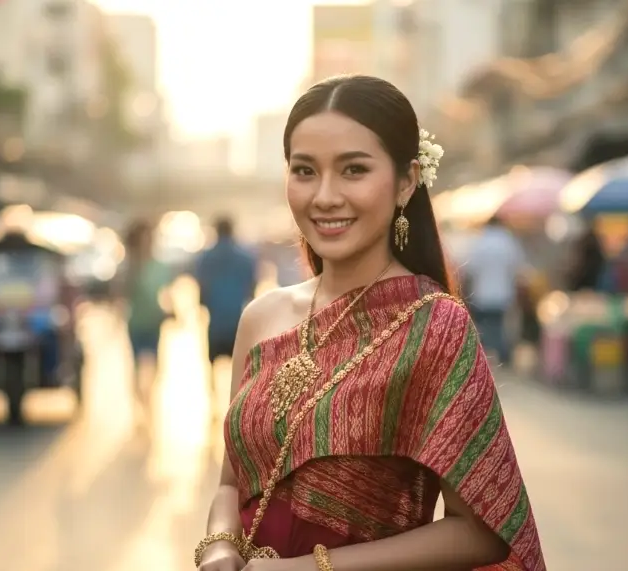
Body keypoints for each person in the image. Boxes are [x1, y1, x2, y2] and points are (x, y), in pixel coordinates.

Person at [195, 75, 544, 571]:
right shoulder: (261, 318)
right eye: (305, 171)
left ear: (406, 181)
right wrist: (219, 545)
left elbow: (482, 532)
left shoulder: (435, 326)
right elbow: (231, 483)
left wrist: (309, 568)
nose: (324, 196)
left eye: (353, 170)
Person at [118, 220, 172, 407]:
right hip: (136, 323)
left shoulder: (159, 267)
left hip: (154, 321)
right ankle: (140, 402)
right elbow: (122, 294)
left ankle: (148, 399)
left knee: (155, 365)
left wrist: (169, 311)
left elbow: (164, 294)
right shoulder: (130, 268)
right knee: (136, 365)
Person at [195, 216, 258, 367]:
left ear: (216, 231)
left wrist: (202, 304)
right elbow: (251, 287)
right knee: (239, 365)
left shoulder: (206, 257)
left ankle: (214, 383)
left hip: (215, 321)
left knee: (212, 362)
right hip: (236, 319)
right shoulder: (245, 257)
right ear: (232, 231)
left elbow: (202, 286)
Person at [463, 216, 526, 364]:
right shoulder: (508, 242)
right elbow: (518, 267)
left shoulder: (480, 242)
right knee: (499, 326)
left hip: (482, 293)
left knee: (484, 327)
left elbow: (470, 269)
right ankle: (502, 356)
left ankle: (486, 357)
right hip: (503, 294)